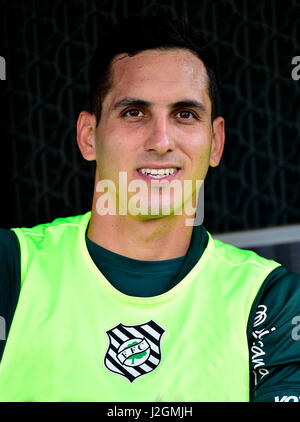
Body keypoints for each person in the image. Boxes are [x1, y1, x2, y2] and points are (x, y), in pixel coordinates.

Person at [0, 16, 300, 402]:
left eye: (185, 114)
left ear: (216, 142)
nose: (161, 141)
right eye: (134, 112)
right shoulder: (11, 267)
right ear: (88, 137)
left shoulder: (271, 301)